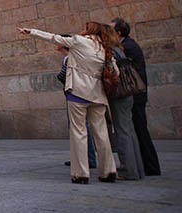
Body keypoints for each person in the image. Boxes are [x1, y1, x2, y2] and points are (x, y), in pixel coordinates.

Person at [19, 23, 117, 184]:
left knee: (79, 133)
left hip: (78, 93)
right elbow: (115, 71)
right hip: (98, 95)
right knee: (102, 133)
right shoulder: (105, 48)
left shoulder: (79, 41)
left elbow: (53, 37)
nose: (82, 29)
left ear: (90, 30)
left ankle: (81, 173)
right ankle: (108, 171)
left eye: (86, 27)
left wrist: (32, 32)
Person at [112, 17, 161, 176]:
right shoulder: (127, 45)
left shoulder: (126, 47)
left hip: (134, 95)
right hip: (136, 94)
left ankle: (150, 166)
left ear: (118, 33)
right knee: (137, 129)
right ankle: (144, 166)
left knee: (139, 130)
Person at [102, 25, 144, 180]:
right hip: (128, 93)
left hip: (119, 94)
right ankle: (137, 168)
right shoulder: (119, 49)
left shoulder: (110, 51)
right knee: (129, 129)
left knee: (122, 131)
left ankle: (128, 170)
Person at [57, 45, 97, 169]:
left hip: (75, 96)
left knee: (79, 128)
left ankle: (87, 158)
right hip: (82, 94)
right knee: (82, 128)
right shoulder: (75, 58)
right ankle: (83, 158)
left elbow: (62, 76)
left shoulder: (70, 58)